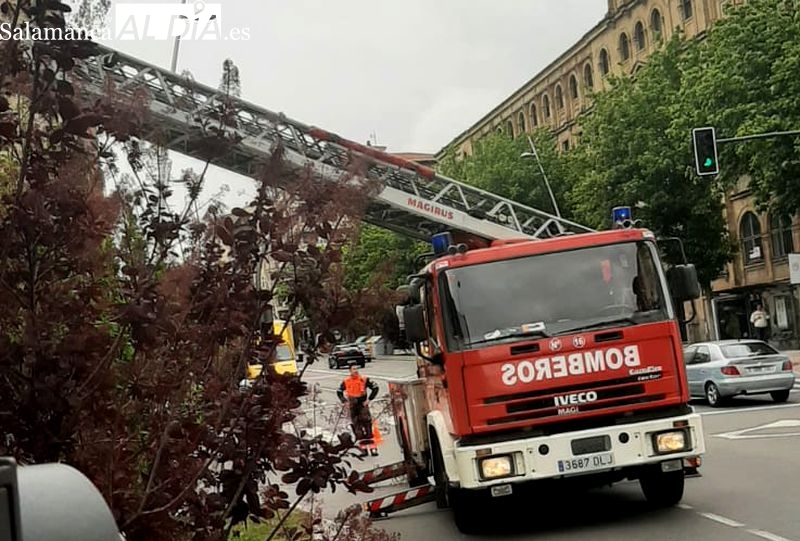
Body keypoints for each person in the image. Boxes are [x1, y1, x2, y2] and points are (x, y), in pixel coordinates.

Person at [338, 365, 380, 456]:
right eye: (354, 369)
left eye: (357, 369)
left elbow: (375, 388)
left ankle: (373, 449)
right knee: (357, 430)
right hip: (353, 407)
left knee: (368, 428)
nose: (356, 371)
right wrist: (344, 401)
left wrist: (369, 399)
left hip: (363, 406)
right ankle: (363, 450)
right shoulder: (346, 381)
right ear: (350, 371)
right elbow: (339, 391)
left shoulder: (364, 379)